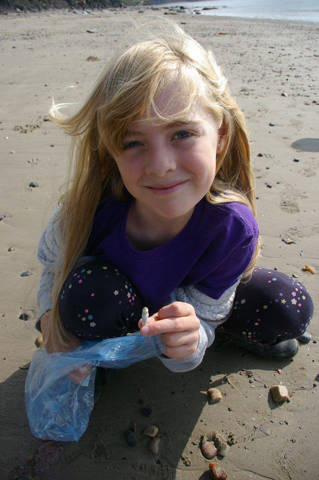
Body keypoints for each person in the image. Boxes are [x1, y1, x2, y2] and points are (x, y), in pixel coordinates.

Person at [36, 25, 313, 382]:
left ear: (220, 137)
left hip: (190, 307)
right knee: (89, 296)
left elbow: (206, 318)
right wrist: (50, 322)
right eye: (133, 142)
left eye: (182, 134)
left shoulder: (231, 228)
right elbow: (51, 268)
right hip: (116, 301)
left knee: (286, 304)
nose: (161, 165)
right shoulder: (92, 207)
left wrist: (190, 341)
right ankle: (96, 356)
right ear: (110, 152)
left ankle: (240, 338)